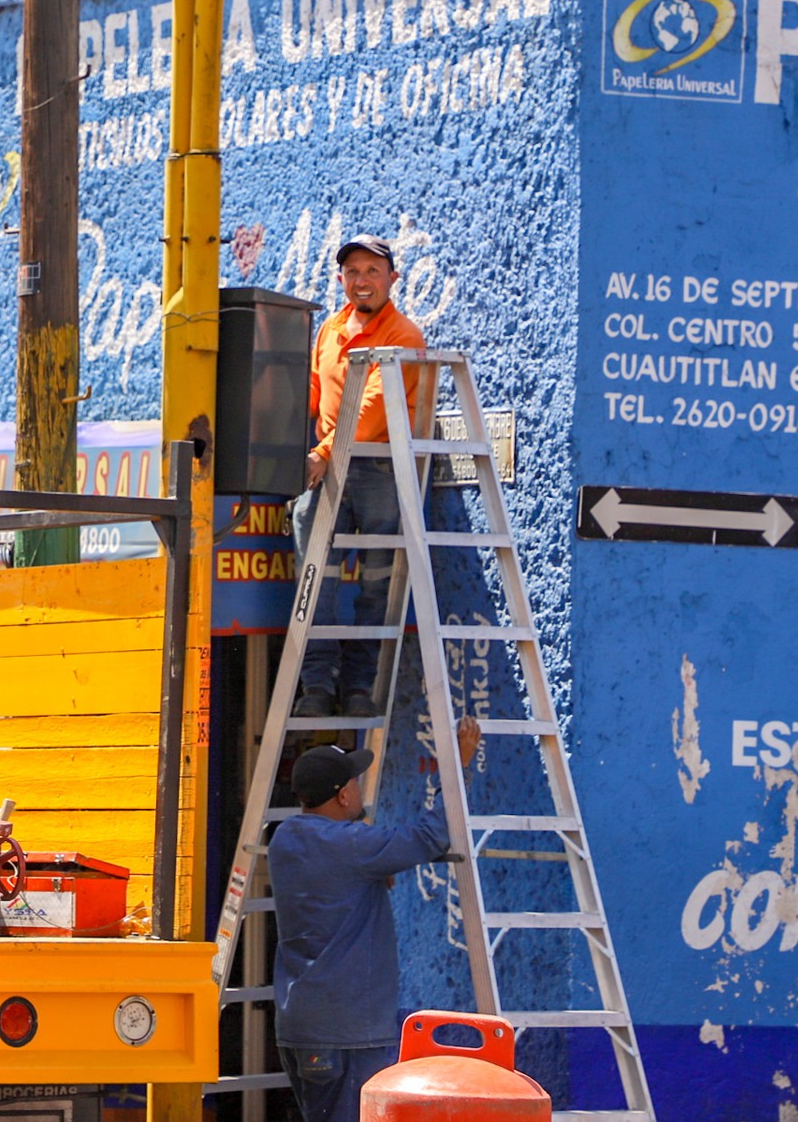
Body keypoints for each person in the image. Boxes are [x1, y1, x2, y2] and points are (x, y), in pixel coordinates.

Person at [269, 719, 480, 1122]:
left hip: (301, 1024)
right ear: (345, 795)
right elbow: (429, 837)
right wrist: (458, 767)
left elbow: (336, 870)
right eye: (355, 782)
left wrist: (368, 868)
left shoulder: (285, 838)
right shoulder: (350, 845)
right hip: (347, 1031)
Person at [292, 235, 427, 718]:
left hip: (375, 467)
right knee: (314, 579)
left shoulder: (404, 337)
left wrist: (322, 453)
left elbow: (369, 411)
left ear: (393, 278)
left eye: (372, 271)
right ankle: (316, 687)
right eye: (353, 272)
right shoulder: (329, 330)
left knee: (375, 582)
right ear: (340, 279)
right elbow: (310, 396)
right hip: (326, 465)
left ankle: (356, 687)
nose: (362, 280)